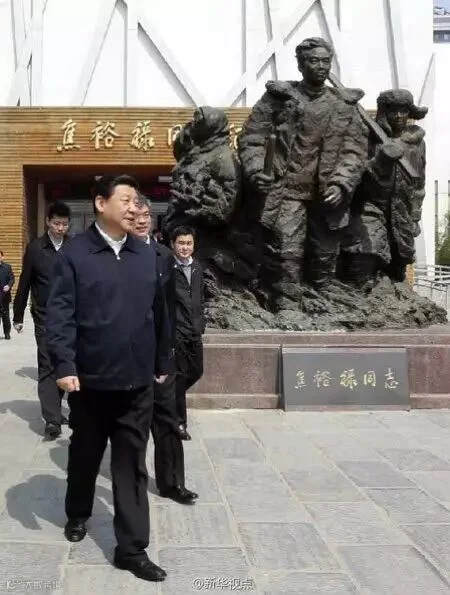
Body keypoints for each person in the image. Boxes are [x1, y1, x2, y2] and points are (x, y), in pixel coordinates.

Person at [45, 175, 171, 582]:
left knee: (131, 464)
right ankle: (77, 512)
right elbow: (59, 314)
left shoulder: (146, 254)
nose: (135, 208)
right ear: (101, 204)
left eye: (137, 201)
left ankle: (132, 549)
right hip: (90, 382)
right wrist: (64, 366)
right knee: (85, 453)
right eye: (127, 200)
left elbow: (160, 311)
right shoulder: (75, 254)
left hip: (137, 383)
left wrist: (163, 358)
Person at [237, 37, 368, 298]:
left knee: (325, 251)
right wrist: (256, 170)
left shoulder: (343, 106)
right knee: (286, 248)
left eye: (325, 61)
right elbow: (252, 137)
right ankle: (287, 301)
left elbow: (355, 150)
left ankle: (323, 298)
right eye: (313, 61)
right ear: (300, 65)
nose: (320, 66)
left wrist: (341, 182)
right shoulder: (278, 99)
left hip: (327, 192)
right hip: (287, 189)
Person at [133, 196, 198, 504]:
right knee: (132, 427)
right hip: (128, 357)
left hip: (161, 356)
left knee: (167, 421)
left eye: (147, 214)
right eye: (136, 215)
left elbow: (169, 309)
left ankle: (172, 483)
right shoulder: (114, 256)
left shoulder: (163, 256)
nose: (142, 220)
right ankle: (131, 484)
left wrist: (169, 353)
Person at [340, 89, 427, 286]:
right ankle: (360, 289)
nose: (398, 116)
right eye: (393, 110)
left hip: (402, 208)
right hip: (370, 206)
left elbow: (419, 184)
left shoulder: (417, 143)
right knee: (366, 250)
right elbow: (357, 176)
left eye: (403, 111)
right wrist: (381, 161)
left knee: (400, 259)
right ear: (384, 112)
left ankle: (393, 293)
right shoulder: (369, 138)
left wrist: (415, 216)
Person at [13, 201, 71, 439]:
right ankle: (52, 419)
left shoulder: (74, 247)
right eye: (56, 223)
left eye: (64, 224)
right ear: (47, 222)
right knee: (47, 365)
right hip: (44, 316)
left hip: (70, 318)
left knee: (64, 364)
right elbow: (25, 282)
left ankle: (56, 407)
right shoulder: (36, 248)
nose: (60, 228)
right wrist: (18, 316)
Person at [170, 226, 205, 440]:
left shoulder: (197, 267)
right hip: (177, 332)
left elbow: (200, 298)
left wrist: (201, 323)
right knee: (180, 376)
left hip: (194, 330)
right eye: (181, 243)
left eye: (189, 243)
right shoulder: (168, 268)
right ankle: (179, 423)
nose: (185, 247)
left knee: (197, 371)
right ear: (173, 244)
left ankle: (170, 395)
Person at [0, 252, 15, 340]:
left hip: (4, 296)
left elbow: (12, 279)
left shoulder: (7, 267)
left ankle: (7, 333)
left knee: (5, 316)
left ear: (2, 257)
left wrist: (9, 286)